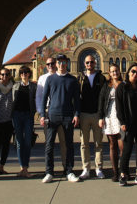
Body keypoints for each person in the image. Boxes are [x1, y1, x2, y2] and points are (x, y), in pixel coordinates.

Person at [40, 54, 82, 183]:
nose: (61, 65)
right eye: (59, 62)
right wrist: (42, 114)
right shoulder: (50, 79)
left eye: (64, 62)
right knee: (49, 145)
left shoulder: (72, 80)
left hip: (68, 115)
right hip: (53, 115)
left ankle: (69, 171)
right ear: (56, 64)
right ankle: (49, 172)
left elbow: (77, 100)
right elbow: (44, 98)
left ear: (67, 64)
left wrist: (76, 114)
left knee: (69, 145)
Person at [116, 63, 137, 186]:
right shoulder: (122, 87)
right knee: (127, 149)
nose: (135, 74)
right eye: (133, 71)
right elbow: (119, 106)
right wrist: (122, 122)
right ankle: (123, 174)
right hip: (128, 124)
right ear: (128, 72)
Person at [77, 54, 106, 179]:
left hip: (97, 114)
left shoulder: (101, 78)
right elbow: (76, 97)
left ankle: (98, 168)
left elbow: (104, 97)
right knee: (84, 143)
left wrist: (102, 115)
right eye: (87, 62)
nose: (90, 64)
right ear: (84, 64)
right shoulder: (80, 78)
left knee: (98, 143)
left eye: (92, 62)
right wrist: (76, 114)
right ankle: (86, 168)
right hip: (83, 114)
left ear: (96, 63)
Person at [36, 56, 66, 166]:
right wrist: (41, 111)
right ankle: (49, 169)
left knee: (64, 141)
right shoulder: (42, 78)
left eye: (52, 63)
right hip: (48, 112)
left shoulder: (64, 77)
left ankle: (65, 166)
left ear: (57, 64)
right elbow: (39, 96)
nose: (50, 66)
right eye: (48, 64)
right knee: (49, 142)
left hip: (62, 112)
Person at [98, 63, 124, 182]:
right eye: (112, 71)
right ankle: (115, 172)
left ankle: (123, 171)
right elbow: (101, 101)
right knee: (112, 145)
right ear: (109, 73)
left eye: (116, 71)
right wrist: (100, 117)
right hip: (109, 115)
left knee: (122, 145)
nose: (115, 73)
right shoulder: (106, 86)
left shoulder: (124, 85)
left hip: (121, 117)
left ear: (119, 71)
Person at [11, 65, 37, 177]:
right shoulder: (15, 86)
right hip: (17, 115)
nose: (24, 75)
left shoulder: (33, 86)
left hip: (28, 115)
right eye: (21, 73)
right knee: (19, 141)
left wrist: (35, 112)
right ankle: (22, 167)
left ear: (29, 74)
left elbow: (38, 99)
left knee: (27, 141)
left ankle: (25, 167)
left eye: (26, 73)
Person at [0, 67, 14, 175]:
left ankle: (2, 167)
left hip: (9, 121)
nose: (5, 77)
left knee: (6, 145)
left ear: (10, 76)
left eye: (7, 74)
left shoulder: (13, 88)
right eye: (3, 74)